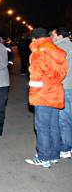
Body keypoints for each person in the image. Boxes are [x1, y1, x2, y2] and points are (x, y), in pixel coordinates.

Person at [25, 28, 67, 168]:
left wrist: (33, 92)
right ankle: (54, 154)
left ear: (35, 39)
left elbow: (36, 76)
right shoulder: (56, 50)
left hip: (42, 94)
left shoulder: (39, 52)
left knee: (42, 127)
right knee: (53, 125)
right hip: (55, 93)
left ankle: (44, 157)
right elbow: (62, 73)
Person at [50, 27, 72, 159]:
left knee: (64, 119)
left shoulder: (59, 49)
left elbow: (55, 71)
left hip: (64, 87)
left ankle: (66, 147)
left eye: (53, 35)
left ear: (59, 36)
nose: (51, 37)